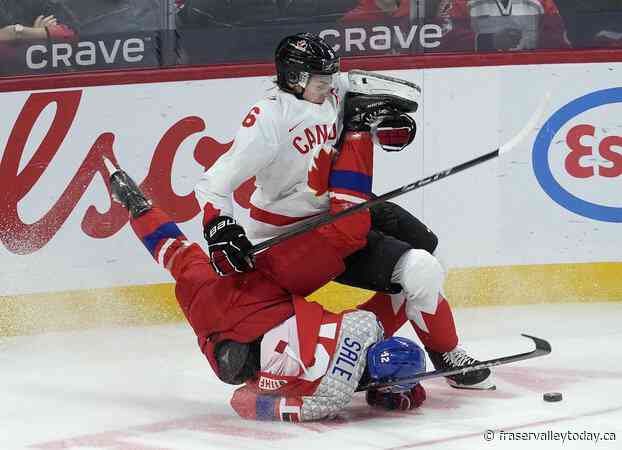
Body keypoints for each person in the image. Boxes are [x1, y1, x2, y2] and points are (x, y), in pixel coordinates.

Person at [195, 32, 494, 390]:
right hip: (291, 235)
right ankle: (380, 346)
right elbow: (213, 183)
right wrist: (221, 228)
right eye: (321, 80)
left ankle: (408, 347)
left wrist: (393, 128)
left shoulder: (339, 87)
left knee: (429, 260)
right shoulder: (268, 119)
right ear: (294, 79)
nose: (330, 85)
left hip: (343, 209)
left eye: (331, 76)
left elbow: (406, 100)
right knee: (419, 270)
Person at [104, 159, 427, 422]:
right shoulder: (331, 399)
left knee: (182, 255)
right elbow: (243, 402)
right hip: (229, 345)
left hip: (255, 298)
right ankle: (140, 209)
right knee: (181, 258)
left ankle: (140, 207)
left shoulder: (366, 326)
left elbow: (372, 327)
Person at [437, 0, 568, 52]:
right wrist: (491, 41)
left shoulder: (543, 1)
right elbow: (448, 42)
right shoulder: (459, 1)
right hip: (478, 78)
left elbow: (557, 41)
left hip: (531, 76)